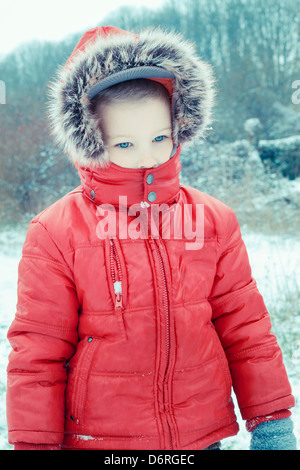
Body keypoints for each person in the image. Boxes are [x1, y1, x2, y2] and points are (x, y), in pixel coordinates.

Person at [6, 25, 296, 451]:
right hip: (101, 442)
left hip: (199, 438)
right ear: (93, 143)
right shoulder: (56, 233)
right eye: (125, 143)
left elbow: (246, 329)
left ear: (179, 127)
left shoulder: (214, 221)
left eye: (159, 137)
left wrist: (272, 421)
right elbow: (38, 358)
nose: (147, 157)